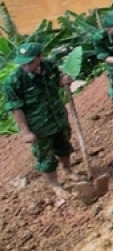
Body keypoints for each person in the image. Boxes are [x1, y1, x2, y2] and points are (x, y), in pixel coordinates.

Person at [5, 42, 76, 202]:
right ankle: (56, 185)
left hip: (58, 117)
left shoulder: (49, 66)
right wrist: (25, 132)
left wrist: (63, 80)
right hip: (39, 127)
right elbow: (16, 108)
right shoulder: (14, 81)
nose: (26, 66)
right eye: (23, 62)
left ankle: (68, 170)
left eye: (30, 62)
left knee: (64, 147)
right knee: (46, 158)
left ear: (40, 57)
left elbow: (57, 79)